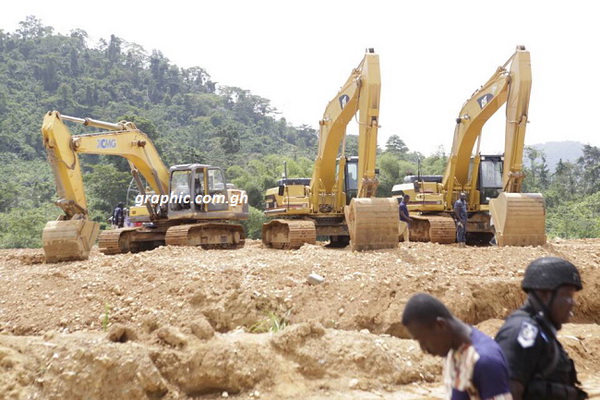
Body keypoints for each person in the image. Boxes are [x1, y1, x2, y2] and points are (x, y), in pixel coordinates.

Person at [495, 257, 588, 400]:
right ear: (545, 295)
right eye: (568, 295)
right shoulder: (522, 332)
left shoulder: (541, 330)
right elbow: (507, 392)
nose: (573, 303)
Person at [402, 293, 512, 399]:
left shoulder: (485, 361)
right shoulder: (452, 350)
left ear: (440, 325)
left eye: (423, 340)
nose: (423, 349)